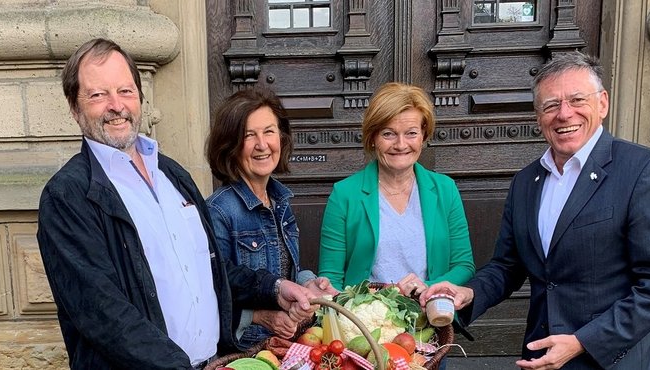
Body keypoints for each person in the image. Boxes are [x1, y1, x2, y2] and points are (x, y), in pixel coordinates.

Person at [36, 38, 318, 369]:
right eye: (98, 95)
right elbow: (100, 309)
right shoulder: (67, 196)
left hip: (216, 361)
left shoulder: (172, 174)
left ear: (140, 97)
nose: (116, 105)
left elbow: (209, 269)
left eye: (125, 91)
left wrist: (273, 287)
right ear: (74, 107)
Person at [420, 52, 650, 370]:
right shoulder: (525, 182)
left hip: (616, 360)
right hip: (543, 356)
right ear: (538, 115)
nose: (564, 114)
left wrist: (582, 342)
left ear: (602, 103)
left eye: (577, 100)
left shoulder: (644, 170)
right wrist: (467, 293)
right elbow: (508, 266)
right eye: (551, 105)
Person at [204, 87, 339, 350]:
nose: (262, 145)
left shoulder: (280, 201)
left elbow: (282, 271)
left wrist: (307, 283)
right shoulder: (218, 210)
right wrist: (261, 317)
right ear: (230, 145)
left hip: (284, 347)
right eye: (249, 135)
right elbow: (211, 289)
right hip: (243, 352)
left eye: (269, 132)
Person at [318, 82, 476, 296]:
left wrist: (427, 288)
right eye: (389, 134)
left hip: (428, 314)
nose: (401, 145)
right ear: (373, 138)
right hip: (364, 321)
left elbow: (463, 265)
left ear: (424, 136)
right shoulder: (344, 195)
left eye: (411, 133)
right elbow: (331, 277)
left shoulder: (445, 190)